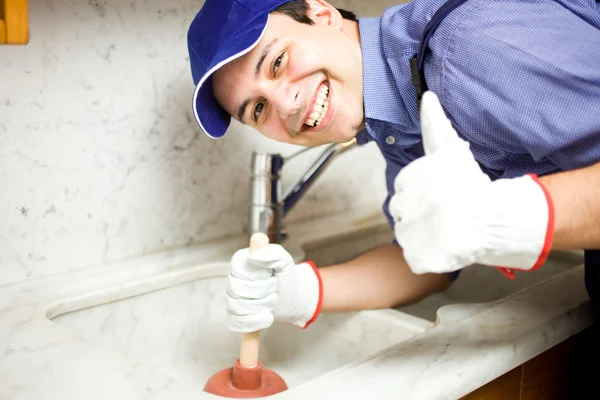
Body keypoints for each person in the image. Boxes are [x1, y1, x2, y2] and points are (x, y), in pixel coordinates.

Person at [185, 0, 600, 333]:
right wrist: (301, 292)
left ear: (322, 14)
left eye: (277, 62)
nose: (285, 104)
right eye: (258, 109)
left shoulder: (466, 49)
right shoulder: (394, 113)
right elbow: (426, 262)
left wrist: (509, 218)